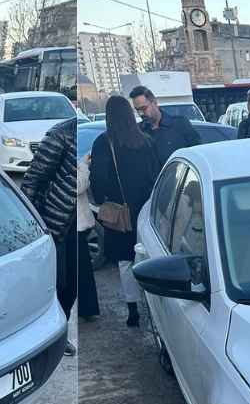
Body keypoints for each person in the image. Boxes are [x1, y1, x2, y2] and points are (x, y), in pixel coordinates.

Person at [90, 95, 159, 327]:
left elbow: (98, 179)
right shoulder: (146, 141)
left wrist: (103, 200)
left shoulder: (103, 143)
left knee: (125, 261)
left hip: (120, 212)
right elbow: (154, 175)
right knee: (147, 256)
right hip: (146, 208)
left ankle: (133, 310)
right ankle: (154, 306)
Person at [21, 116, 78, 355]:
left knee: (72, 287)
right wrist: (28, 224)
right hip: (53, 223)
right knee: (55, 283)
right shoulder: (61, 134)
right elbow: (33, 179)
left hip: (80, 222)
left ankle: (59, 333)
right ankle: (40, 339)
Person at [128, 85, 200, 164]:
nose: (140, 113)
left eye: (144, 108)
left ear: (154, 103)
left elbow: (197, 153)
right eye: (137, 110)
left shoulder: (180, 124)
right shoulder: (138, 131)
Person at [75, 150, 100, 321]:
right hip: (73, 226)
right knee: (81, 272)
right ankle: (86, 309)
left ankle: (86, 309)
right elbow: (78, 185)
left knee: (81, 271)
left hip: (74, 226)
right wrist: (83, 166)